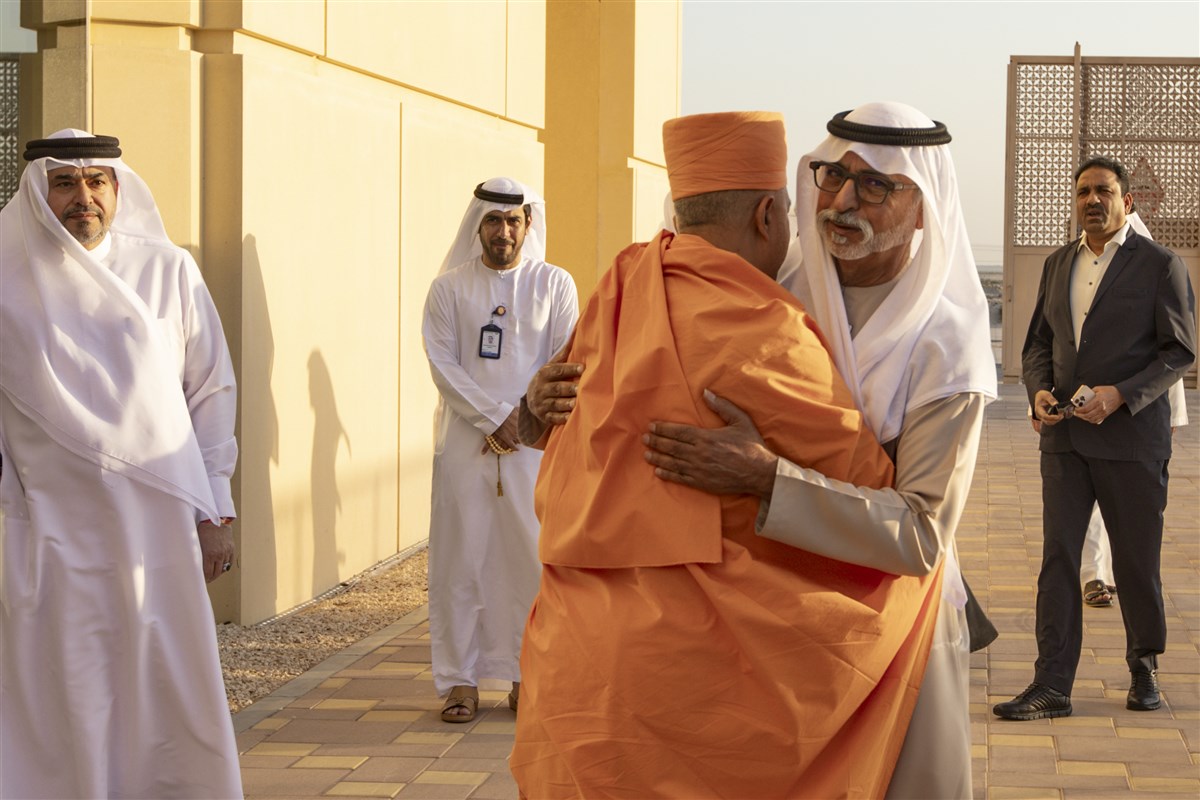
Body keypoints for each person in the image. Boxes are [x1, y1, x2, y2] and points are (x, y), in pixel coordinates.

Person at [525, 102, 998, 798]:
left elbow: (923, 531)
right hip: (752, 655)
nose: (842, 201)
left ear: (924, 205)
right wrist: (539, 409)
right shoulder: (763, 282)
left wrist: (768, 479)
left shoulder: (946, 345)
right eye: (833, 176)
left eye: (875, 186)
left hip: (885, 630)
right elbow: (623, 402)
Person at [0, 130, 242, 797]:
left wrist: (215, 503)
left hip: (157, 522)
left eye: (96, 182)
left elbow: (211, 389)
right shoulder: (4, 271)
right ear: (37, 190)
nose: (84, 199)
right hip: (47, 525)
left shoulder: (167, 269)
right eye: (65, 183)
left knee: (162, 677)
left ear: (117, 187)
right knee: (65, 683)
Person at [996, 155, 1196, 720]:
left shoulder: (1160, 264)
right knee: (1059, 558)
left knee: (1135, 562)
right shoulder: (1059, 263)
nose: (1092, 200)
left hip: (1133, 441)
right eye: (1083, 190)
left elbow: (1179, 351)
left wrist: (1120, 395)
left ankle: (1144, 666)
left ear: (1126, 202)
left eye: (1104, 191)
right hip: (1064, 441)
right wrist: (1037, 391)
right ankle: (1052, 685)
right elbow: (1038, 343)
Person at [421, 178, 578, 723]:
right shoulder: (448, 289)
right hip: (465, 448)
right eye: (493, 220)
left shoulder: (555, 284)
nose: (503, 231)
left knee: (529, 560)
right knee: (460, 560)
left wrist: (522, 419)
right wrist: (495, 418)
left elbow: (564, 357)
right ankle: (460, 682)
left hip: (534, 446)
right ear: (477, 226)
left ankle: (524, 673)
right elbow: (443, 365)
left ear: (527, 225)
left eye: (513, 221)